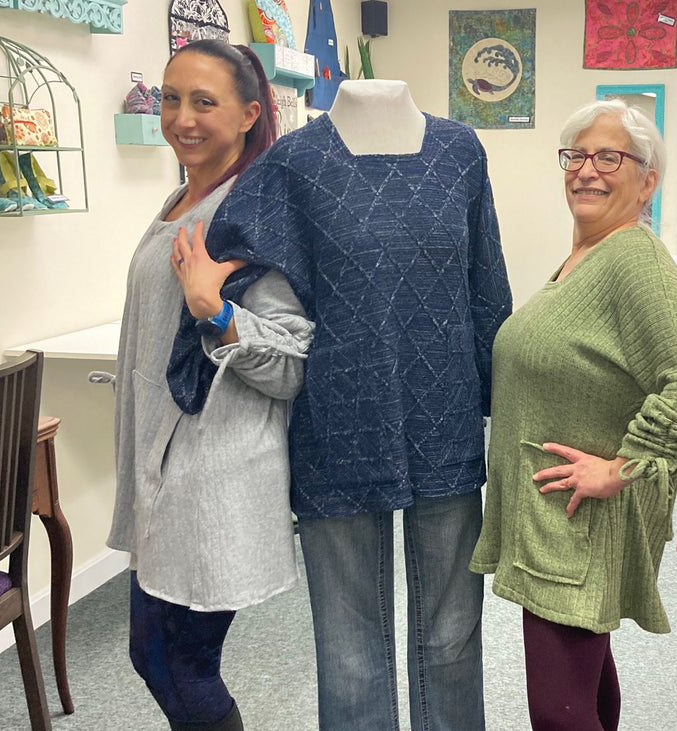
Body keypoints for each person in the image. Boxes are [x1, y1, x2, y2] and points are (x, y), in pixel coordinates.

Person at [193, 79, 513, 730]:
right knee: (350, 653)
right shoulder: (293, 163)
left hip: (446, 421)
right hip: (335, 427)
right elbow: (234, 263)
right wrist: (212, 308)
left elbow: (486, 287)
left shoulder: (461, 152)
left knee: (452, 640)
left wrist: (502, 406)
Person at [469, 98, 677, 731]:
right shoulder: (588, 257)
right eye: (577, 155)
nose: (587, 170)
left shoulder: (630, 258)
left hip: (575, 524)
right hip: (556, 522)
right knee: (585, 691)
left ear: (647, 181)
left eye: (609, 157)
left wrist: (624, 466)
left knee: (558, 712)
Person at [107, 40, 313, 731]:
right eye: (171, 99)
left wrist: (216, 311)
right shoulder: (185, 197)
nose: (181, 118)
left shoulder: (249, 215)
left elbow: (292, 362)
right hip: (163, 468)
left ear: (250, 114)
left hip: (211, 474)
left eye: (204, 102)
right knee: (154, 656)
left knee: (177, 664)